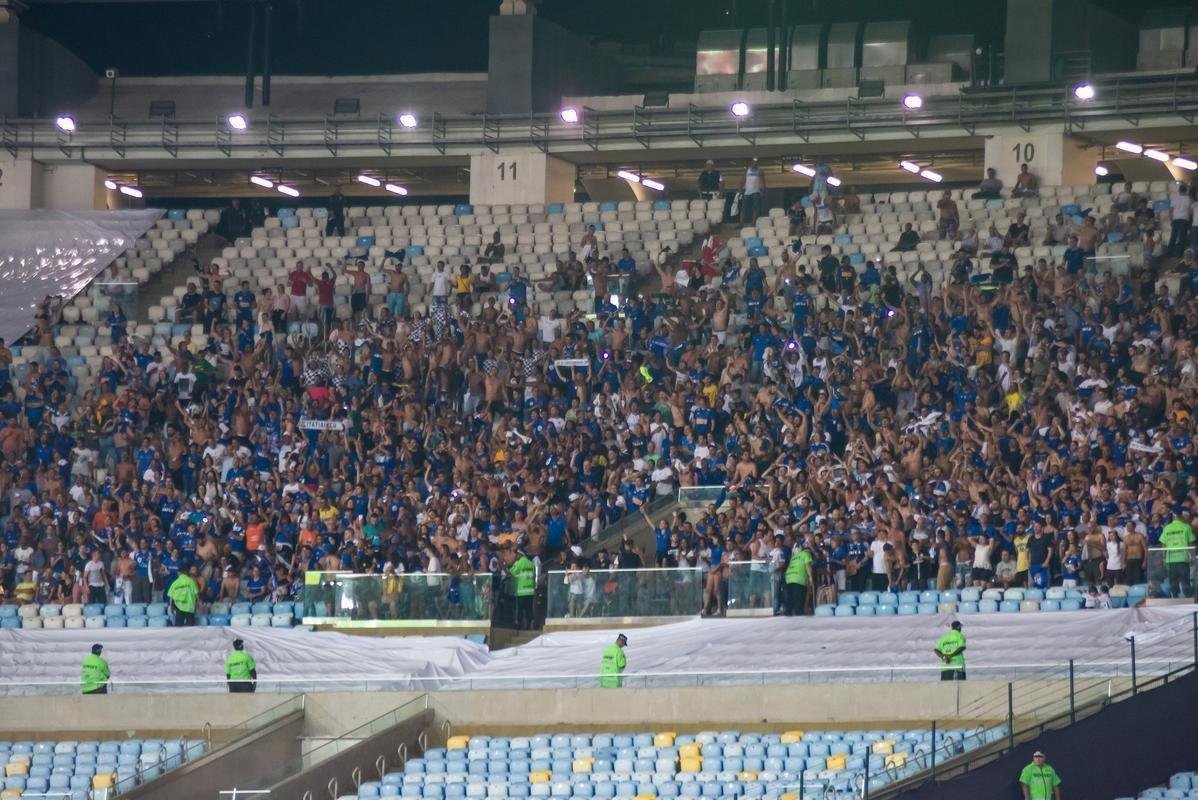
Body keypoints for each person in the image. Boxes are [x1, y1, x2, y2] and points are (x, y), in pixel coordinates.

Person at [1159, 512, 1195, 598]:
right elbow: (1191, 543)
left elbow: (1163, 544)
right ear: (1181, 516)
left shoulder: (1167, 528)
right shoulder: (1186, 527)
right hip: (1183, 558)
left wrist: (1163, 557)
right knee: (1185, 580)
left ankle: (1175, 597)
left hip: (1170, 559)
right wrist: (1193, 556)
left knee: (1173, 581)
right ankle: (1188, 597)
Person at [784, 539, 814, 616]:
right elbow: (807, 565)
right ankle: (798, 614)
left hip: (789, 578)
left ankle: (788, 614)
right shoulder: (805, 554)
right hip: (798, 578)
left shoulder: (793, 557)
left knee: (790, 599)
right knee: (799, 599)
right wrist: (810, 577)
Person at [509, 549, 536, 630]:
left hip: (521, 591)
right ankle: (528, 625)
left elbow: (512, 572)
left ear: (519, 554)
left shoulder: (520, 562)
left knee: (520, 610)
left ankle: (519, 626)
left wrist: (509, 566)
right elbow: (534, 576)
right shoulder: (531, 563)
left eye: (516, 554)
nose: (515, 556)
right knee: (529, 610)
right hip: (530, 591)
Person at [740, 159, 765, 224]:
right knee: (743, 208)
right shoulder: (747, 171)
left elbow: (763, 182)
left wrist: (763, 191)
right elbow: (743, 180)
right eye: (753, 163)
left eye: (756, 163)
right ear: (751, 163)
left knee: (755, 208)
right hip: (747, 192)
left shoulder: (760, 172)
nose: (754, 164)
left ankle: (753, 222)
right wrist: (740, 189)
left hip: (756, 192)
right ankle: (741, 222)